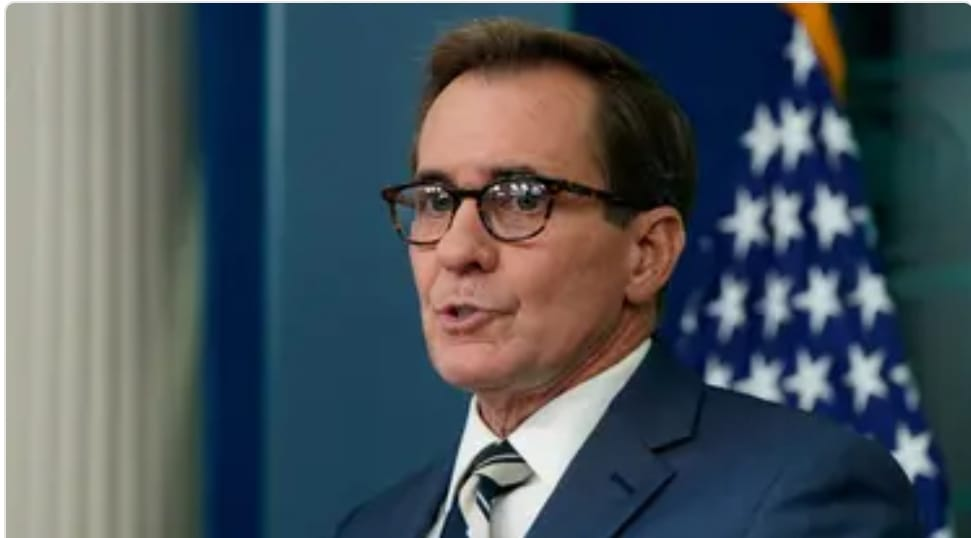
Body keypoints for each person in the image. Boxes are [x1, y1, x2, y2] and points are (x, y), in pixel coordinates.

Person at [337, 18, 920, 538]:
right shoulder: (375, 527)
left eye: (520, 198)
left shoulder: (800, 494)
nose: (457, 249)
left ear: (647, 253)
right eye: (436, 200)